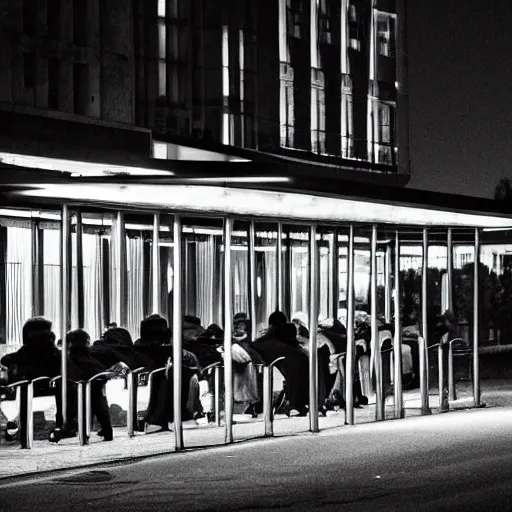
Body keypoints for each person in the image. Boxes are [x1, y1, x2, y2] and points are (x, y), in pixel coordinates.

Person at [52, 329, 113, 442]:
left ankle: (67, 429)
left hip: (76, 391)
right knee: (100, 403)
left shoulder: (69, 358)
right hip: (94, 390)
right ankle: (107, 430)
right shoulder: (89, 357)